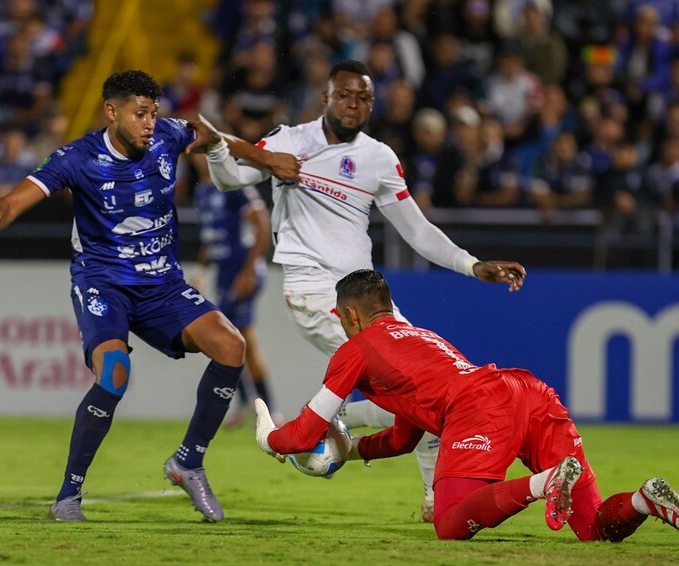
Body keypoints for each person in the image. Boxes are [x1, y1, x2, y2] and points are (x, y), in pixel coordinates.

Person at [203, 59, 526, 522]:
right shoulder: (289, 142)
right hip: (317, 292)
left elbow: (417, 230)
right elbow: (230, 178)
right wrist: (217, 151)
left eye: (363, 98)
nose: (353, 104)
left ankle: (342, 433)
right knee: (422, 393)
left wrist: (472, 266)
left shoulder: (378, 158)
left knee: (429, 398)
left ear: (371, 103)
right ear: (325, 98)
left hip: (371, 299)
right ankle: (336, 430)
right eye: (345, 95)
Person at [0, 70, 299, 523]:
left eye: (153, 113)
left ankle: (188, 462)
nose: (149, 122)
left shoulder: (169, 134)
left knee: (231, 346)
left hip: (163, 284)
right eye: (139, 113)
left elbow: (213, 135)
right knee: (115, 373)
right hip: (103, 282)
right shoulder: (78, 157)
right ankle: (69, 495)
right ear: (112, 111)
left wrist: (268, 160)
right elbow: (24, 195)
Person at [254, 270, 679, 546]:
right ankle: (643, 499)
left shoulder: (357, 349)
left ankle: (546, 483)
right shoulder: (420, 337)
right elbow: (402, 437)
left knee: (451, 525)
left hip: (481, 406)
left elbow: (299, 433)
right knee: (593, 527)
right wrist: (346, 451)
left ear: (349, 316)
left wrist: (268, 438)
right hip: (526, 391)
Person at [190, 153, 275, 424]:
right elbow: (211, 238)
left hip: (242, 271)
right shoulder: (202, 192)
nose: (199, 158)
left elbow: (262, 223)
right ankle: (258, 406)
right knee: (243, 342)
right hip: (225, 274)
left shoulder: (232, 185)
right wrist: (201, 273)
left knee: (222, 338)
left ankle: (257, 406)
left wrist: (249, 270)